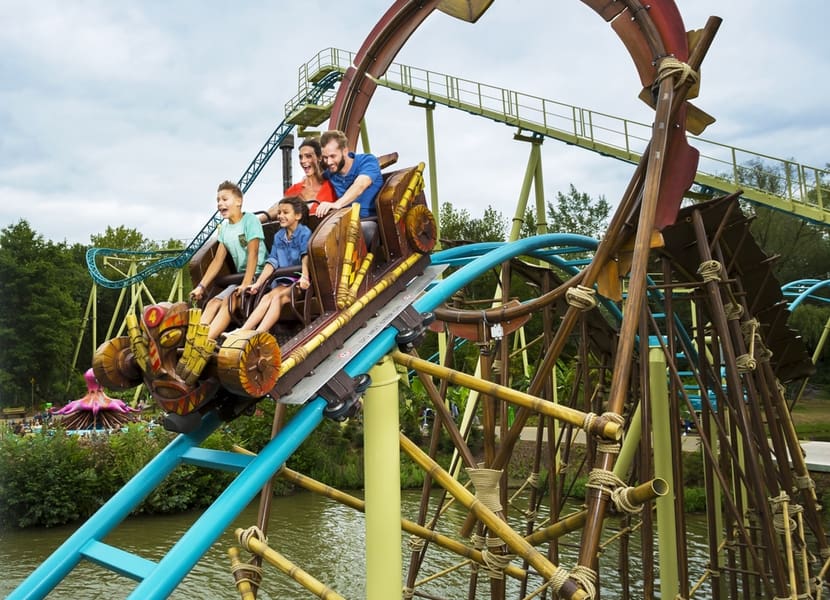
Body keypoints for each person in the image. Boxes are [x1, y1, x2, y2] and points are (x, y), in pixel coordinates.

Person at [190, 180, 266, 341]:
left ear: (238, 201)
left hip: (258, 275)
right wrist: (201, 287)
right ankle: (193, 341)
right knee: (213, 302)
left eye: (225, 199)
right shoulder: (224, 229)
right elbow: (217, 261)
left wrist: (246, 283)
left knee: (228, 302)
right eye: (218, 200)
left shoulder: (250, 221)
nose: (220, 203)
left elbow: (253, 254)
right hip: (240, 278)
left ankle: (204, 342)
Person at [240, 196, 312, 333]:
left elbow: (305, 256)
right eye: (279, 212)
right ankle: (243, 331)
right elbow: (272, 262)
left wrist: (305, 276)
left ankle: (258, 333)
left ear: (298, 216)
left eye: (285, 212)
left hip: (298, 281)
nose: (280, 216)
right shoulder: (279, 236)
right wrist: (257, 284)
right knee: (267, 297)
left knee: (277, 298)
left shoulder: (304, 233)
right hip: (282, 282)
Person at [315, 129, 383, 219]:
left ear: (345, 151)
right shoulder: (331, 173)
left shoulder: (367, 161)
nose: (329, 162)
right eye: (325, 157)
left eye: (333, 156)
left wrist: (337, 204)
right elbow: (316, 180)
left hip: (370, 219)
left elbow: (360, 185)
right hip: (345, 219)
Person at [262, 138, 335, 221]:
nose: (303, 161)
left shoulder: (332, 186)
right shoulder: (295, 189)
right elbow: (279, 208)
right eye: (301, 157)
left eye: (308, 156)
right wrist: (257, 220)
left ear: (319, 157)